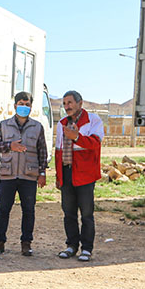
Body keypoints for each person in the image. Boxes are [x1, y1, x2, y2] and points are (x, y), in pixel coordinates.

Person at [0, 91, 48, 256]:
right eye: (21, 104)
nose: (24, 107)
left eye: (27, 104)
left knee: (28, 210)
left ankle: (26, 243)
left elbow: (43, 151)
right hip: (8, 175)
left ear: (31, 107)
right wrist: (9, 146)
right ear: (15, 105)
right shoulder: (4, 125)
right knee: (3, 210)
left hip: (29, 176)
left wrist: (42, 173)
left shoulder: (37, 127)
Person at [54, 90, 103, 262]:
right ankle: (71, 246)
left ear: (80, 103)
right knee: (68, 213)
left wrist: (77, 137)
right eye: (64, 103)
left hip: (85, 176)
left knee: (87, 214)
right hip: (67, 174)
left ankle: (87, 249)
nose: (67, 106)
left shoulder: (93, 121)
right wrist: (58, 176)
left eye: (70, 103)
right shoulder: (61, 124)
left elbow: (95, 144)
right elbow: (58, 152)